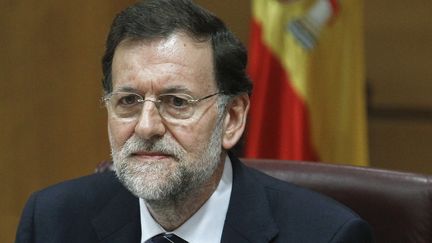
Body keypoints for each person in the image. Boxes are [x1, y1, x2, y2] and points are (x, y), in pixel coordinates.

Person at [15, 0, 374, 242]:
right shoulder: (52, 223)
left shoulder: (326, 235)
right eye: (128, 101)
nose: (146, 126)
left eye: (176, 102)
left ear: (231, 118)